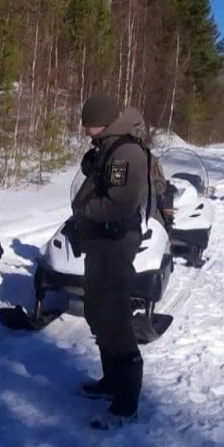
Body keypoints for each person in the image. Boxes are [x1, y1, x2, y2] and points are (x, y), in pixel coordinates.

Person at [67, 95, 151, 429]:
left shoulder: (127, 152)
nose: (85, 131)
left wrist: (84, 212)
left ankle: (127, 401)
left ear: (101, 122)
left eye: (88, 124)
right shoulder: (108, 146)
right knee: (97, 311)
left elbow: (121, 203)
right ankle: (111, 380)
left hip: (115, 241)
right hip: (100, 239)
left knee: (114, 317)